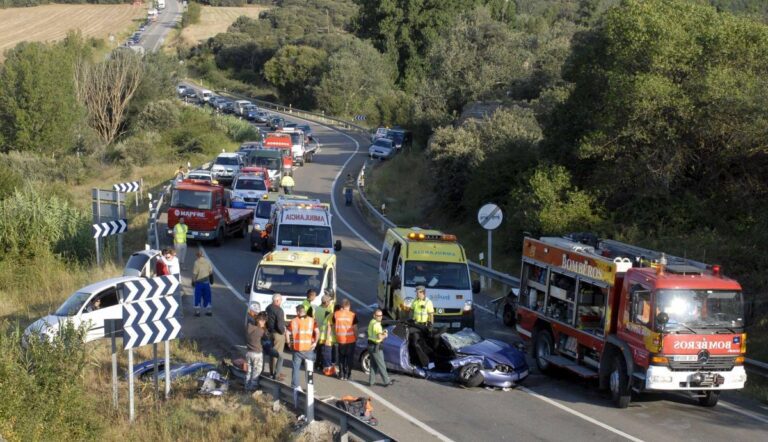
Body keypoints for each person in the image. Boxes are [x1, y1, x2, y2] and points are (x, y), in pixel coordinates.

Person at [290, 305, 318, 391]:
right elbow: (317, 332)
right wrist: (315, 343)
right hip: (309, 348)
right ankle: (310, 387)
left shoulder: (294, 321)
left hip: (297, 349)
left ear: (298, 312)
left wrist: (290, 343)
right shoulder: (312, 320)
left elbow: (288, 333)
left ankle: (295, 386)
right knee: (309, 369)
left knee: (296, 368)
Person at [334, 299, 358, 380]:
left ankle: (341, 374)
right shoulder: (352, 315)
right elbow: (355, 328)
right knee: (349, 358)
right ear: (349, 306)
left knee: (341, 357)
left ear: (342, 306)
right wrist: (356, 337)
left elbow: (334, 325)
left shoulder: (336, 314)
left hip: (341, 339)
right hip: (350, 340)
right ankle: (348, 375)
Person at [367, 309, 392, 387]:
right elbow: (379, 336)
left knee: (373, 365)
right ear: (374, 315)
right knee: (381, 364)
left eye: (381, 315)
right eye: (378, 316)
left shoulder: (372, 322)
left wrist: (382, 331)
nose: (380, 317)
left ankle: (371, 381)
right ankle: (386, 381)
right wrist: (385, 335)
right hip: (376, 347)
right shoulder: (377, 325)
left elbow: (375, 333)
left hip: (370, 345)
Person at [265, 294, 286, 381]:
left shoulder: (268, 308)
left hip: (270, 333)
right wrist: (283, 332)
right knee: (278, 354)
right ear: (277, 300)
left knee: (272, 354)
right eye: (280, 300)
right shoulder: (279, 310)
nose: (281, 302)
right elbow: (280, 325)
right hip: (277, 334)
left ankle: (271, 372)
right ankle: (276, 374)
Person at [245, 308, 267, 391]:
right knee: (256, 373)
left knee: (249, 372)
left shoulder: (249, 328)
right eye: (264, 321)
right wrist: (263, 327)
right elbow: (266, 337)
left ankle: (246, 388)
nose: (264, 323)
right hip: (257, 354)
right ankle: (252, 389)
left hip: (248, 352)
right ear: (261, 321)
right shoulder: (260, 331)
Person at [192, 250, 213, 317]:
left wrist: (193, 281)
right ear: (203, 255)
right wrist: (211, 279)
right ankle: (209, 311)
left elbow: (195, 273)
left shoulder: (196, 262)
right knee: (207, 295)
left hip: (199, 283)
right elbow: (210, 272)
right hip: (206, 282)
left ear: (197, 256)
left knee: (197, 296)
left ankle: (197, 312)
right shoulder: (208, 261)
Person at [165, 249, 183, 318]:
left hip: (177, 282)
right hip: (171, 282)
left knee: (177, 298)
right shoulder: (170, 260)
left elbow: (167, 263)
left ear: (172, 256)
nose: (167, 259)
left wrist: (161, 258)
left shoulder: (175, 260)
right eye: (166, 257)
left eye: (168, 257)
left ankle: (180, 313)